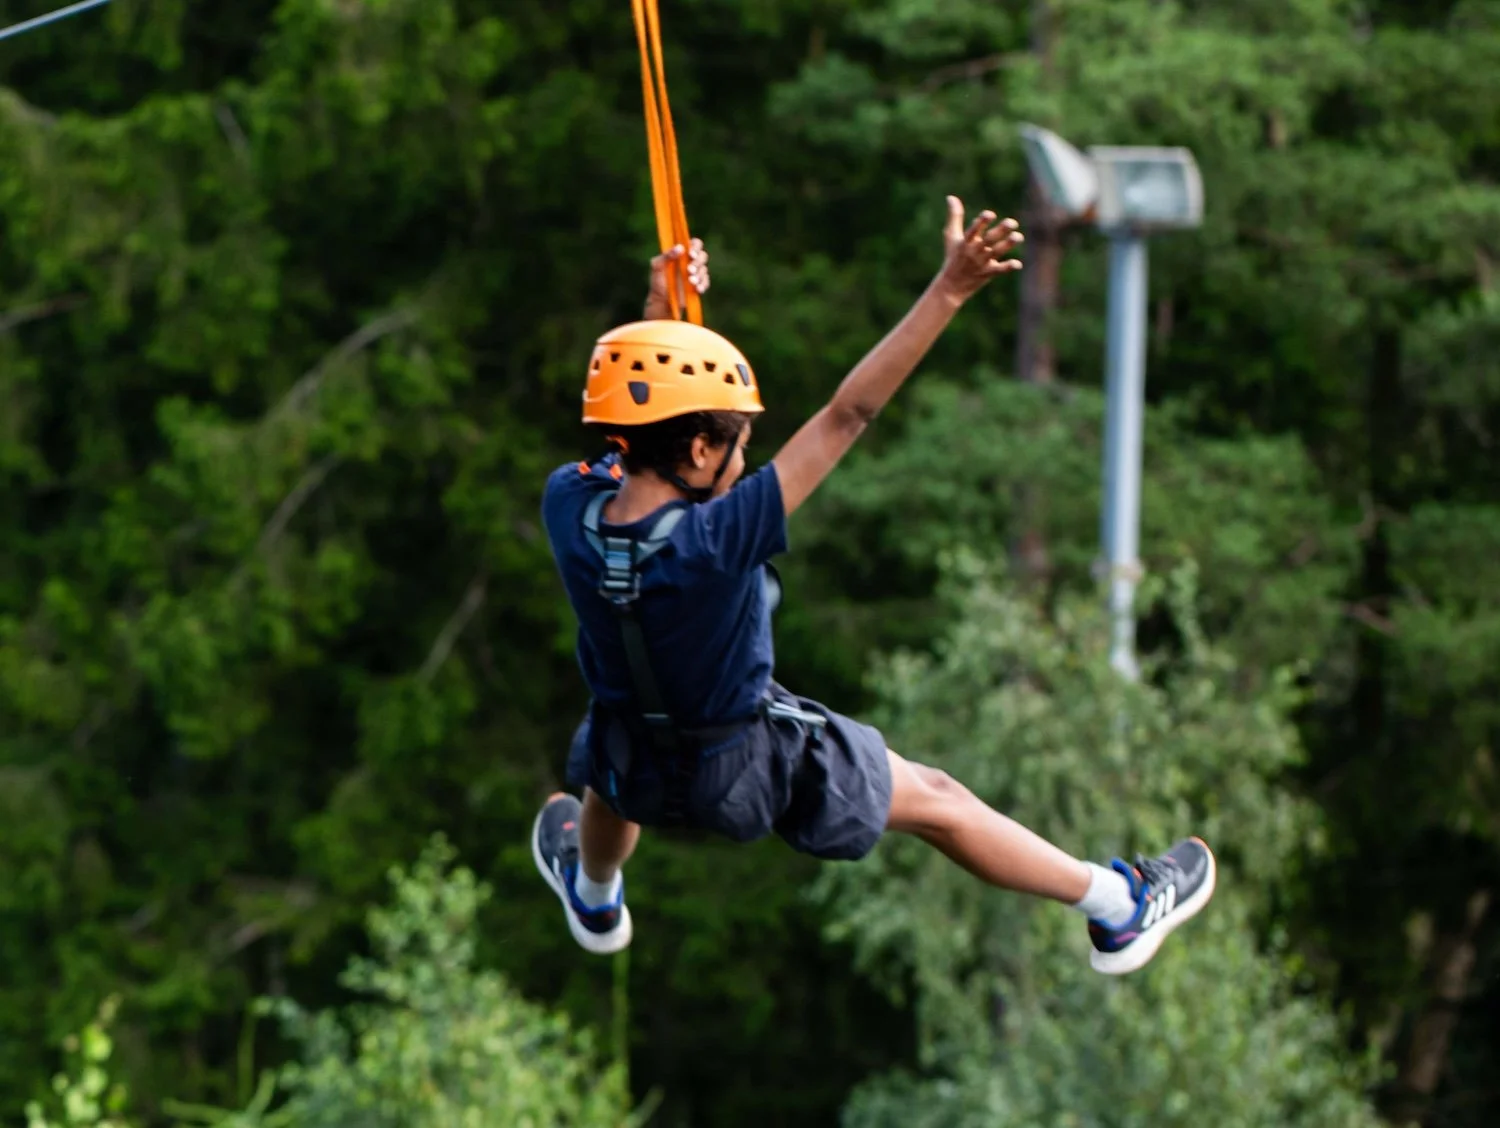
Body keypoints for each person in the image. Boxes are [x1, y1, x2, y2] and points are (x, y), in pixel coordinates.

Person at [533, 198, 1216, 976]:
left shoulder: (568, 504)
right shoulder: (718, 541)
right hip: (743, 767)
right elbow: (847, 414)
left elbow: (637, 448)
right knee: (940, 800)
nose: (747, 462)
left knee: (615, 736)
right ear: (697, 447)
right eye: (739, 446)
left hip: (637, 762)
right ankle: (1118, 907)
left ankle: (593, 893)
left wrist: (659, 321)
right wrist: (948, 291)